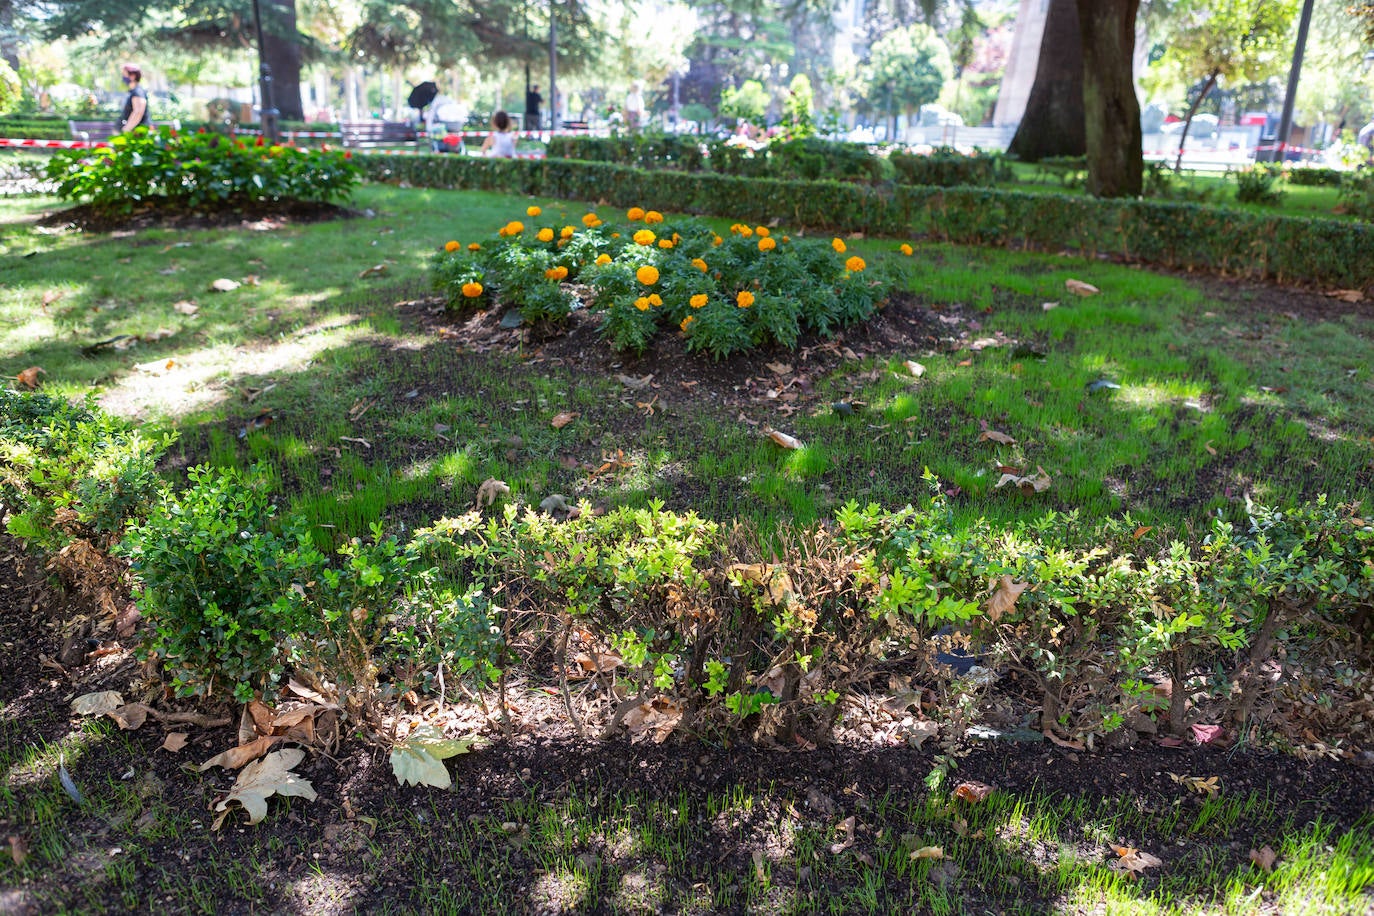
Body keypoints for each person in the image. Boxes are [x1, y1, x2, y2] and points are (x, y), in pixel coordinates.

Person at [117, 64, 150, 134]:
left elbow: (138, 112)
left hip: (137, 133)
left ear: (133, 76)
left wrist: (126, 130)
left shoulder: (138, 92)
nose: (123, 77)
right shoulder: (132, 91)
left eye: (124, 74)